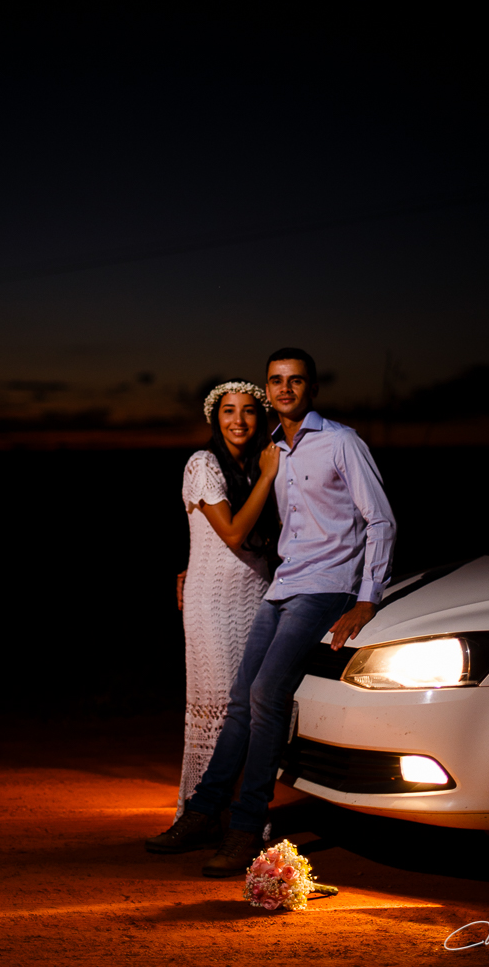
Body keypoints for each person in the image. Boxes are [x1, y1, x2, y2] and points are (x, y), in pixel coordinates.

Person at [146, 349, 396, 875]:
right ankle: (201, 814)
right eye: (276, 381)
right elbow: (256, 529)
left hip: (325, 588)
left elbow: (380, 521)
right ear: (269, 389)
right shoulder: (274, 451)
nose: (285, 389)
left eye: (295, 380)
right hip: (281, 584)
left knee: (265, 692)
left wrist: (368, 597)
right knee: (241, 699)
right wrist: (196, 565)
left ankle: (245, 826)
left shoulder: (341, 441)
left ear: (312, 388)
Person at [147, 380, 280, 849]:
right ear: (214, 418)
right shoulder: (203, 464)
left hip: (259, 596)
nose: (238, 421)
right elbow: (230, 536)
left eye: (247, 411)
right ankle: (198, 813)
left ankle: (240, 816)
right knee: (221, 708)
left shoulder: (257, 465)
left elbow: (271, 541)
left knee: (253, 707)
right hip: (210, 602)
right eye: (228, 411)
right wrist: (268, 476)